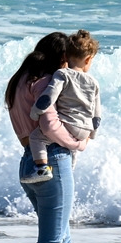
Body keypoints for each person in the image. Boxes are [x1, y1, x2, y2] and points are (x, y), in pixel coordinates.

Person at [5, 31, 90, 243]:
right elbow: (49, 122)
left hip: (30, 162)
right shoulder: (44, 82)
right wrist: (77, 143)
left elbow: (27, 127)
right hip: (53, 161)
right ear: (62, 58)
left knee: (62, 241)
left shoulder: (20, 82)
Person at [21, 29, 102, 184]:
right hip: (83, 129)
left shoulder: (62, 74)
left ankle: (42, 168)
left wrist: (36, 112)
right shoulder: (93, 82)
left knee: (36, 137)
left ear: (65, 56)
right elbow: (96, 114)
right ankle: (68, 174)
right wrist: (92, 134)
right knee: (73, 151)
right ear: (88, 59)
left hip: (67, 124)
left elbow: (48, 97)